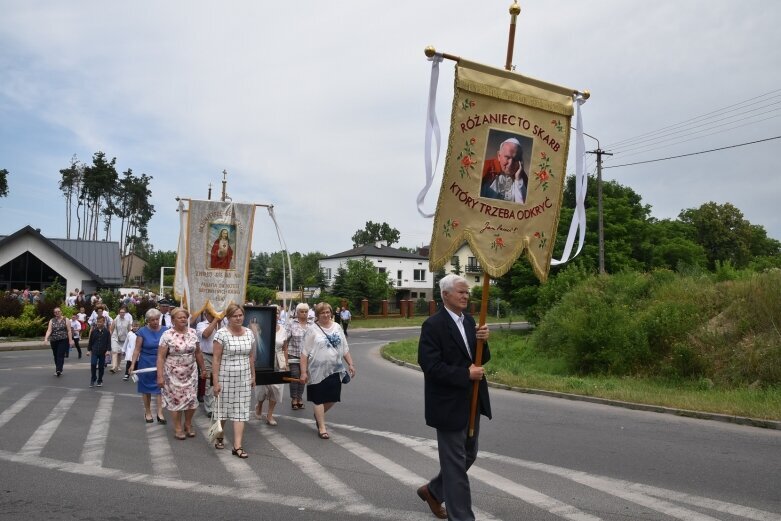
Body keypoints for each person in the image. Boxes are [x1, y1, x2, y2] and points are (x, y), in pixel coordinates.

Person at [416, 274, 491, 521]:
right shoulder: (433, 325)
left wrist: (483, 341)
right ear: (445, 294)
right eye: (460, 291)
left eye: (467, 292)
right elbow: (430, 365)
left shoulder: (470, 321)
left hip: (472, 400)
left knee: (469, 454)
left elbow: (481, 358)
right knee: (456, 465)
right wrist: (465, 374)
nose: (465, 296)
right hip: (448, 405)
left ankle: (434, 491)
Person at [299, 302, 355, 440]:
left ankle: (319, 414)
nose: (325, 315)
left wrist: (351, 364)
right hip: (316, 370)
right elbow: (304, 353)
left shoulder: (337, 327)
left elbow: (344, 347)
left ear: (331, 313)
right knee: (318, 398)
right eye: (322, 313)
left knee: (333, 397)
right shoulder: (312, 330)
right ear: (317, 315)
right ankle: (322, 427)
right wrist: (303, 372)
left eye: (327, 312)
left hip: (335, 369)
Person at [212, 303, 256, 458]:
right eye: (234, 316)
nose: (238, 318)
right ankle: (219, 436)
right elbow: (216, 360)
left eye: (240, 315)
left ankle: (237, 446)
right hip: (225, 377)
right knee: (222, 411)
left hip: (243, 378)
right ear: (228, 318)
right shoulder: (221, 334)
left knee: (241, 411)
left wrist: (253, 375)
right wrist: (215, 382)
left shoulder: (249, 333)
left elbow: (251, 356)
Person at [157, 307, 206, 440]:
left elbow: (198, 352)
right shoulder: (167, 335)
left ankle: (188, 424)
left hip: (191, 371)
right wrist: (160, 376)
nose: (183, 319)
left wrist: (203, 369)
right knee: (175, 400)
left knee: (191, 399)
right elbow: (161, 357)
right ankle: (177, 427)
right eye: (180, 317)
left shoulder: (193, 333)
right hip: (172, 373)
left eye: (185, 317)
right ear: (173, 320)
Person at [130, 308, 168, 424]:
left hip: (161, 362)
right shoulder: (142, 331)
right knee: (146, 389)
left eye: (157, 319)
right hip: (146, 362)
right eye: (152, 320)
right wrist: (132, 364)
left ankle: (160, 413)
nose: (155, 322)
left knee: (160, 388)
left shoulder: (166, 330)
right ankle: (148, 412)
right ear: (148, 321)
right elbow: (137, 349)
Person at [255, 305, 288, 426]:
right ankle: (259, 405)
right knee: (262, 388)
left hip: (278, 361)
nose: (275, 315)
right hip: (264, 360)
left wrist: (286, 363)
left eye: (277, 312)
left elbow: (285, 348)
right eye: (273, 313)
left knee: (277, 388)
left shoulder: (284, 329)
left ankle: (270, 414)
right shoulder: (262, 328)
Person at [480, 137, 528, 204]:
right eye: (507, 157)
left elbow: (522, 209)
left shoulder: (523, 178)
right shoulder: (485, 168)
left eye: (515, 159)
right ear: (499, 156)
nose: (510, 164)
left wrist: (518, 179)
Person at [196, 309, 221, 418]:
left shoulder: (224, 323)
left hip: (222, 357)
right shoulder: (201, 324)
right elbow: (206, 334)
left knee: (221, 381)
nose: (214, 315)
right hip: (207, 356)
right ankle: (210, 408)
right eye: (211, 313)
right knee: (209, 383)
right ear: (206, 314)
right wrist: (215, 320)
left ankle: (220, 405)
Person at [286, 303, 310, 410]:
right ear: (297, 312)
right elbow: (285, 341)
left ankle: (300, 398)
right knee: (295, 376)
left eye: (306, 311)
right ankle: (294, 398)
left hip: (307, 356)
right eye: (302, 311)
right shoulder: (292, 323)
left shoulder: (312, 325)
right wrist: (285, 358)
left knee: (303, 377)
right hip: (293, 354)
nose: (304, 313)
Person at [44, 307, 73, 377]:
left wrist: (70, 340)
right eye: (55, 312)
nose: (57, 313)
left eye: (58, 311)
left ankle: (58, 370)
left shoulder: (66, 319)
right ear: (54, 313)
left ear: (61, 312)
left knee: (60, 354)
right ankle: (58, 368)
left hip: (63, 339)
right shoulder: (52, 320)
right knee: (55, 355)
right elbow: (49, 330)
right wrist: (46, 338)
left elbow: (69, 331)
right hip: (54, 340)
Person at [87, 315, 111, 387]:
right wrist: (89, 350)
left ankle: (100, 380)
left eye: (100, 322)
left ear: (104, 322)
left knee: (101, 367)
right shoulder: (94, 331)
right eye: (98, 322)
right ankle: (93, 378)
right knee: (93, 364)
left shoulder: (106, 332)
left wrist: (108, 350)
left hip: (103, 352)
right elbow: (90, 341)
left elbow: (108, 342)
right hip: (94, 351)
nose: (99, 323)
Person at [109, 306, 132, 374]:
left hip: (124, 339)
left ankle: (118, 365)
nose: (122, 313)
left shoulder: (127, 321)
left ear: (125, 313)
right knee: (114, 351)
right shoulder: (115, 320)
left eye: (123, 312)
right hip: (115, 337)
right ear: (119, 313)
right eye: (121, 312)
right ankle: (114, 366)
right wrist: (109, 338)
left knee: (120, 353)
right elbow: (111, 329)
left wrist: (131, 339)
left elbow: (129, 330)